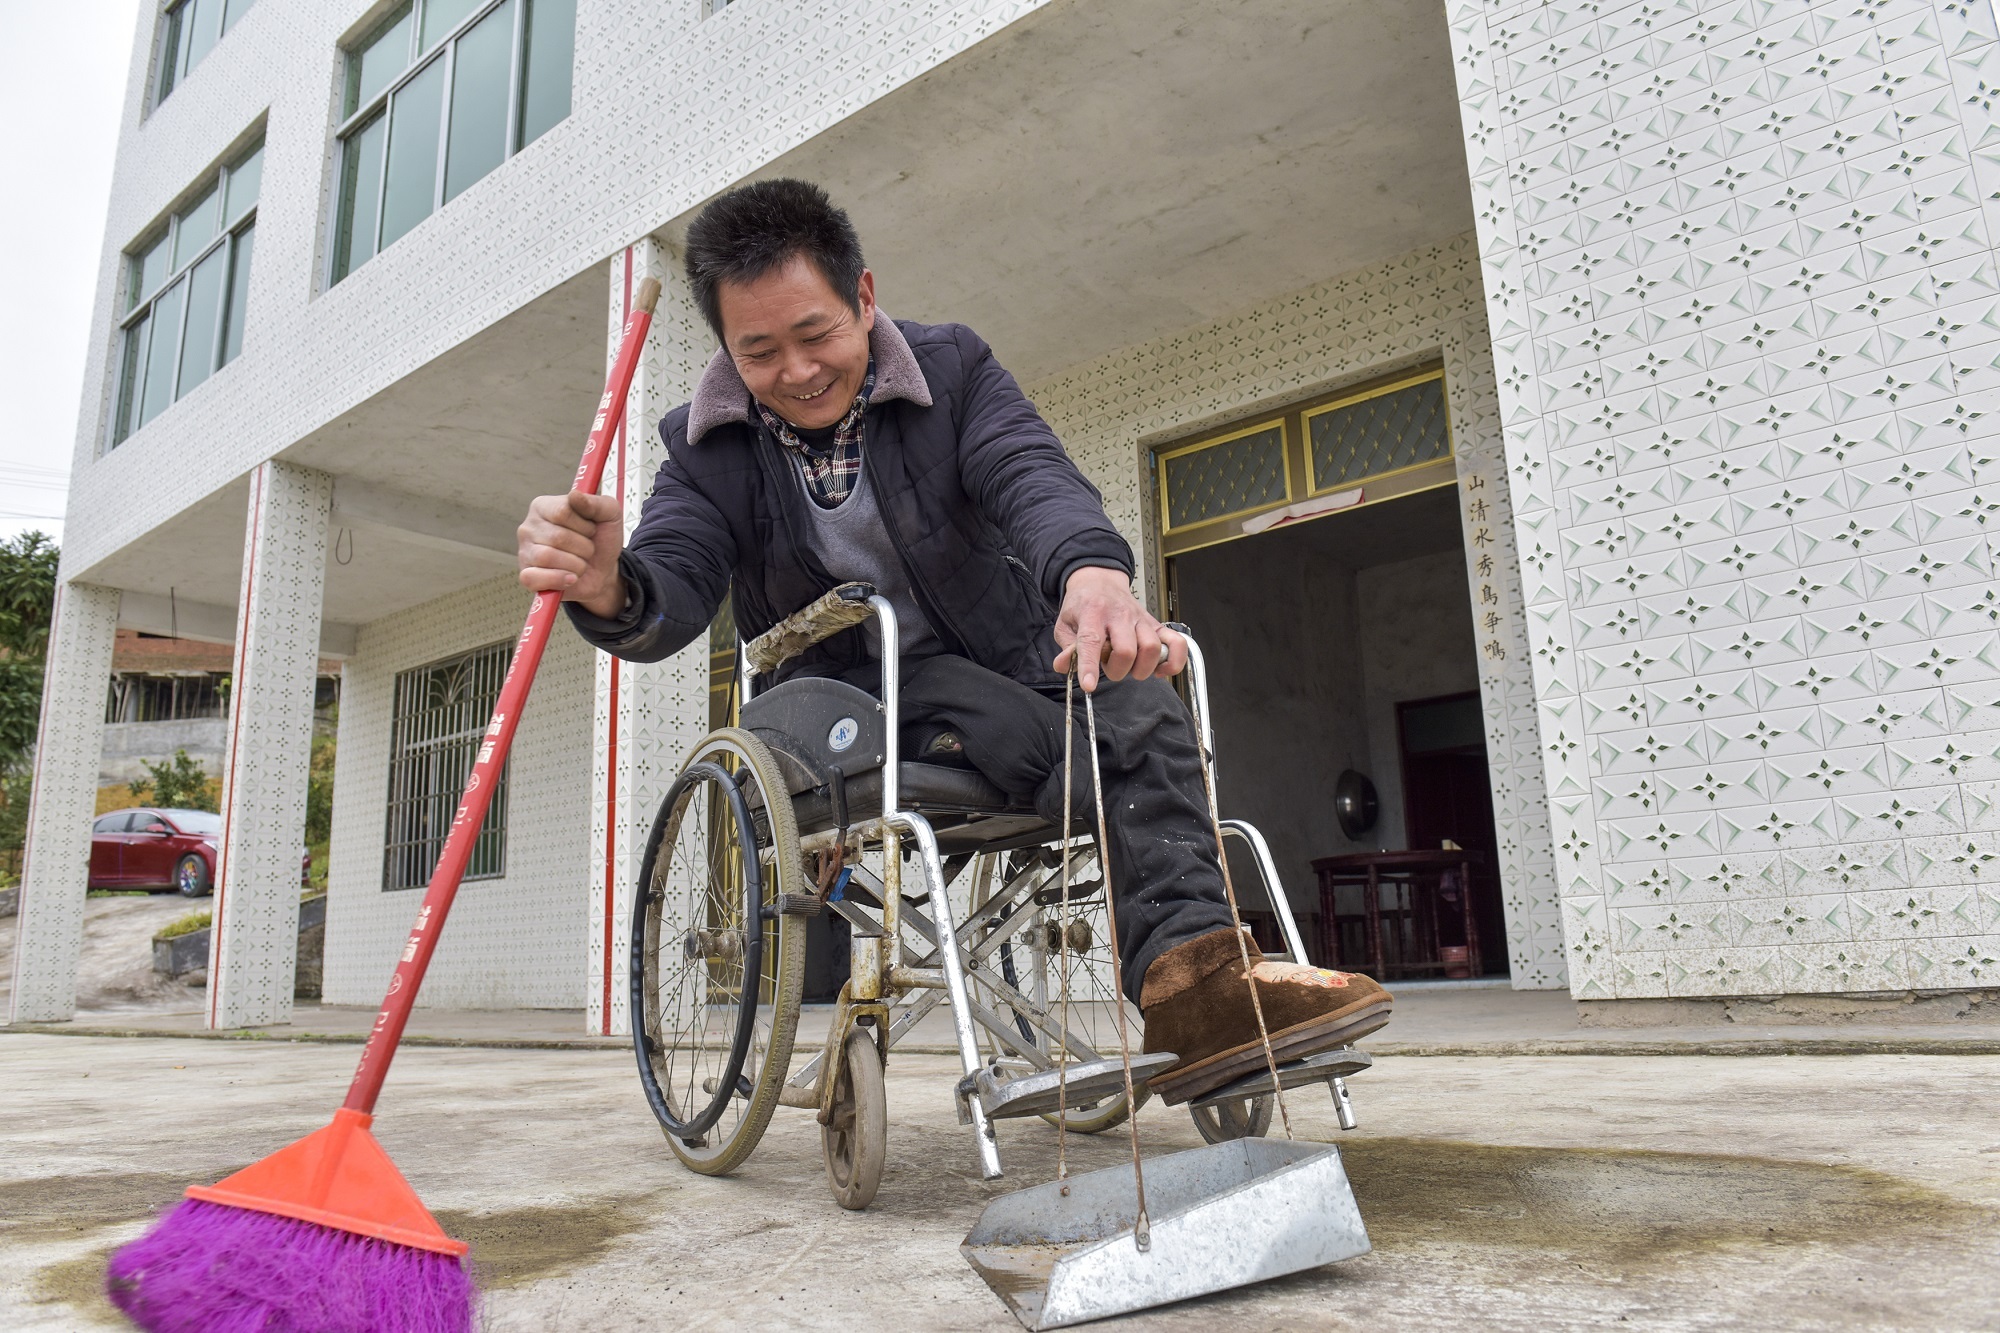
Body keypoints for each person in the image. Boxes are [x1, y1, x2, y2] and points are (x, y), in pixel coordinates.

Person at [517, 179, 1391, 1100]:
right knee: (1036, 734)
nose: (798, 371)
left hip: (997, 663)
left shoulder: (953, 371)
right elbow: (673, 583)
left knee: (1137, 694)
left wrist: (1092, 573)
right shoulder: (706, 449)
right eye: (760, 352)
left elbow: (1030, 472)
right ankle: (1088, 795)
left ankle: (1197, 989)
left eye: (816, 334)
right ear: (729, 352)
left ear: (863, 296)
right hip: (845, 700)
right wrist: (613, 583)